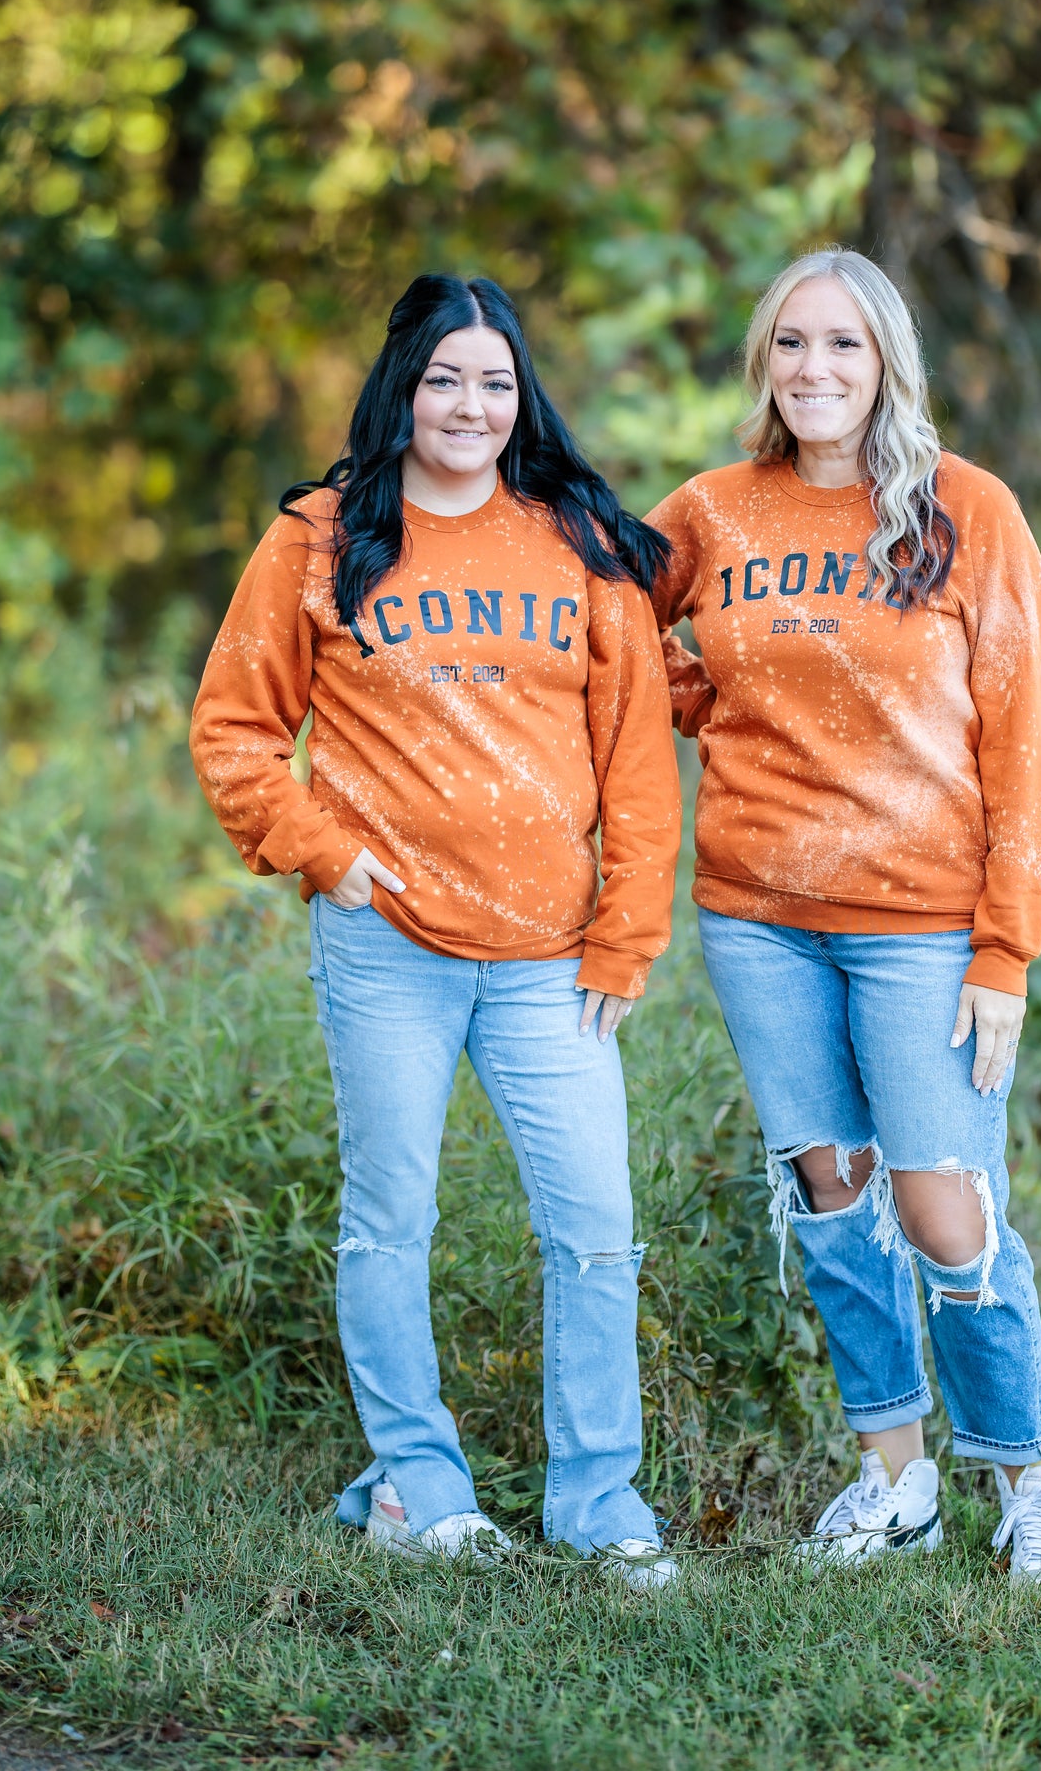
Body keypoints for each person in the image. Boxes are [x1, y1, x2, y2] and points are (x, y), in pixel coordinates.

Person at [190, 274, 682, 1588]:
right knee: (388, 1216)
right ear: (403, 387)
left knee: (591, 1226)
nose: (470, 404)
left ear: (521, 399)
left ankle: (598, 1505)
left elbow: (635, 758)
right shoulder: (321, 534)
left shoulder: (574, 540)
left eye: (495, 381)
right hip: (386, 950)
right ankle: (420, 1484)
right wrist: (323, 855)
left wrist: (627, 934)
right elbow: (235, 727)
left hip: (548, 962)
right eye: (445, 378)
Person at [646, 247, 1041, 1591]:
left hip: (922, 925)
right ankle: (894, 1481)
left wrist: (1003, 950)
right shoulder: (712, 513)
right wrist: (694, 699)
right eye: (790, 343)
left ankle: (1027, 1486)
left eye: (842, 345)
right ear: (761, 364)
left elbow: (1023, 743)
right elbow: (602, 632)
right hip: (758, 918)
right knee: (829, 1194)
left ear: (885, 361)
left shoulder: (968, 513)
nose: (814, 370)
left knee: (942, 1203)